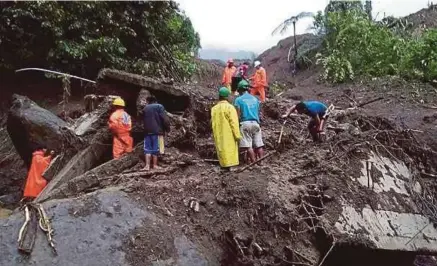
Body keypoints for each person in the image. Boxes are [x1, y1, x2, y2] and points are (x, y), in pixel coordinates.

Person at [211, 87, 242, 171]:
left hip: (218, 134)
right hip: (229, 135)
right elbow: (234, 123)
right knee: (230, 150)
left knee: (221, 150)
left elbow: (213, 123)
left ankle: (223, 166)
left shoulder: (214, 109)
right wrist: (237, 136)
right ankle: (231, 167)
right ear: (227, 96)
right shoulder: (230, 108)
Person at [234, 80, 264, 163]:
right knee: (259, 145)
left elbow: (237, 114)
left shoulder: (238, 100)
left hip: (245, 123)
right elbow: (258, 111)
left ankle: (253, 162)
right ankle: (261, 163)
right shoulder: (255, 99)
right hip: (256, 123)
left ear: (240, 90)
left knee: (248, 146)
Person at [142, 95, 170, 171]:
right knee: (156, 148)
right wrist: (167, 129)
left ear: (148, 101)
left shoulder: (145, 108)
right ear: (155, 101)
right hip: (157, 132)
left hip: (147, 132)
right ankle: (155, 165)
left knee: (147, 148)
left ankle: (147, 166)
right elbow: (165, 119)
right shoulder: (159, 106)